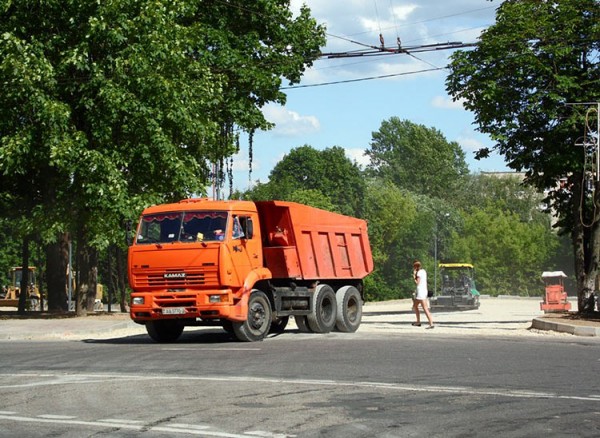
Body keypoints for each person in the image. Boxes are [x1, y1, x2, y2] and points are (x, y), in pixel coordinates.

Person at [412, 260, 434, 329]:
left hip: (421, 292)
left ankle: (431, 324)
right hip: (424, 291)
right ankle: (418, 322)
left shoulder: (419, 273)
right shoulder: (424, 271)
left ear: (416, 267)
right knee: (415, 306)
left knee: (425, 308)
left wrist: (414, 276)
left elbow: (417, 282)